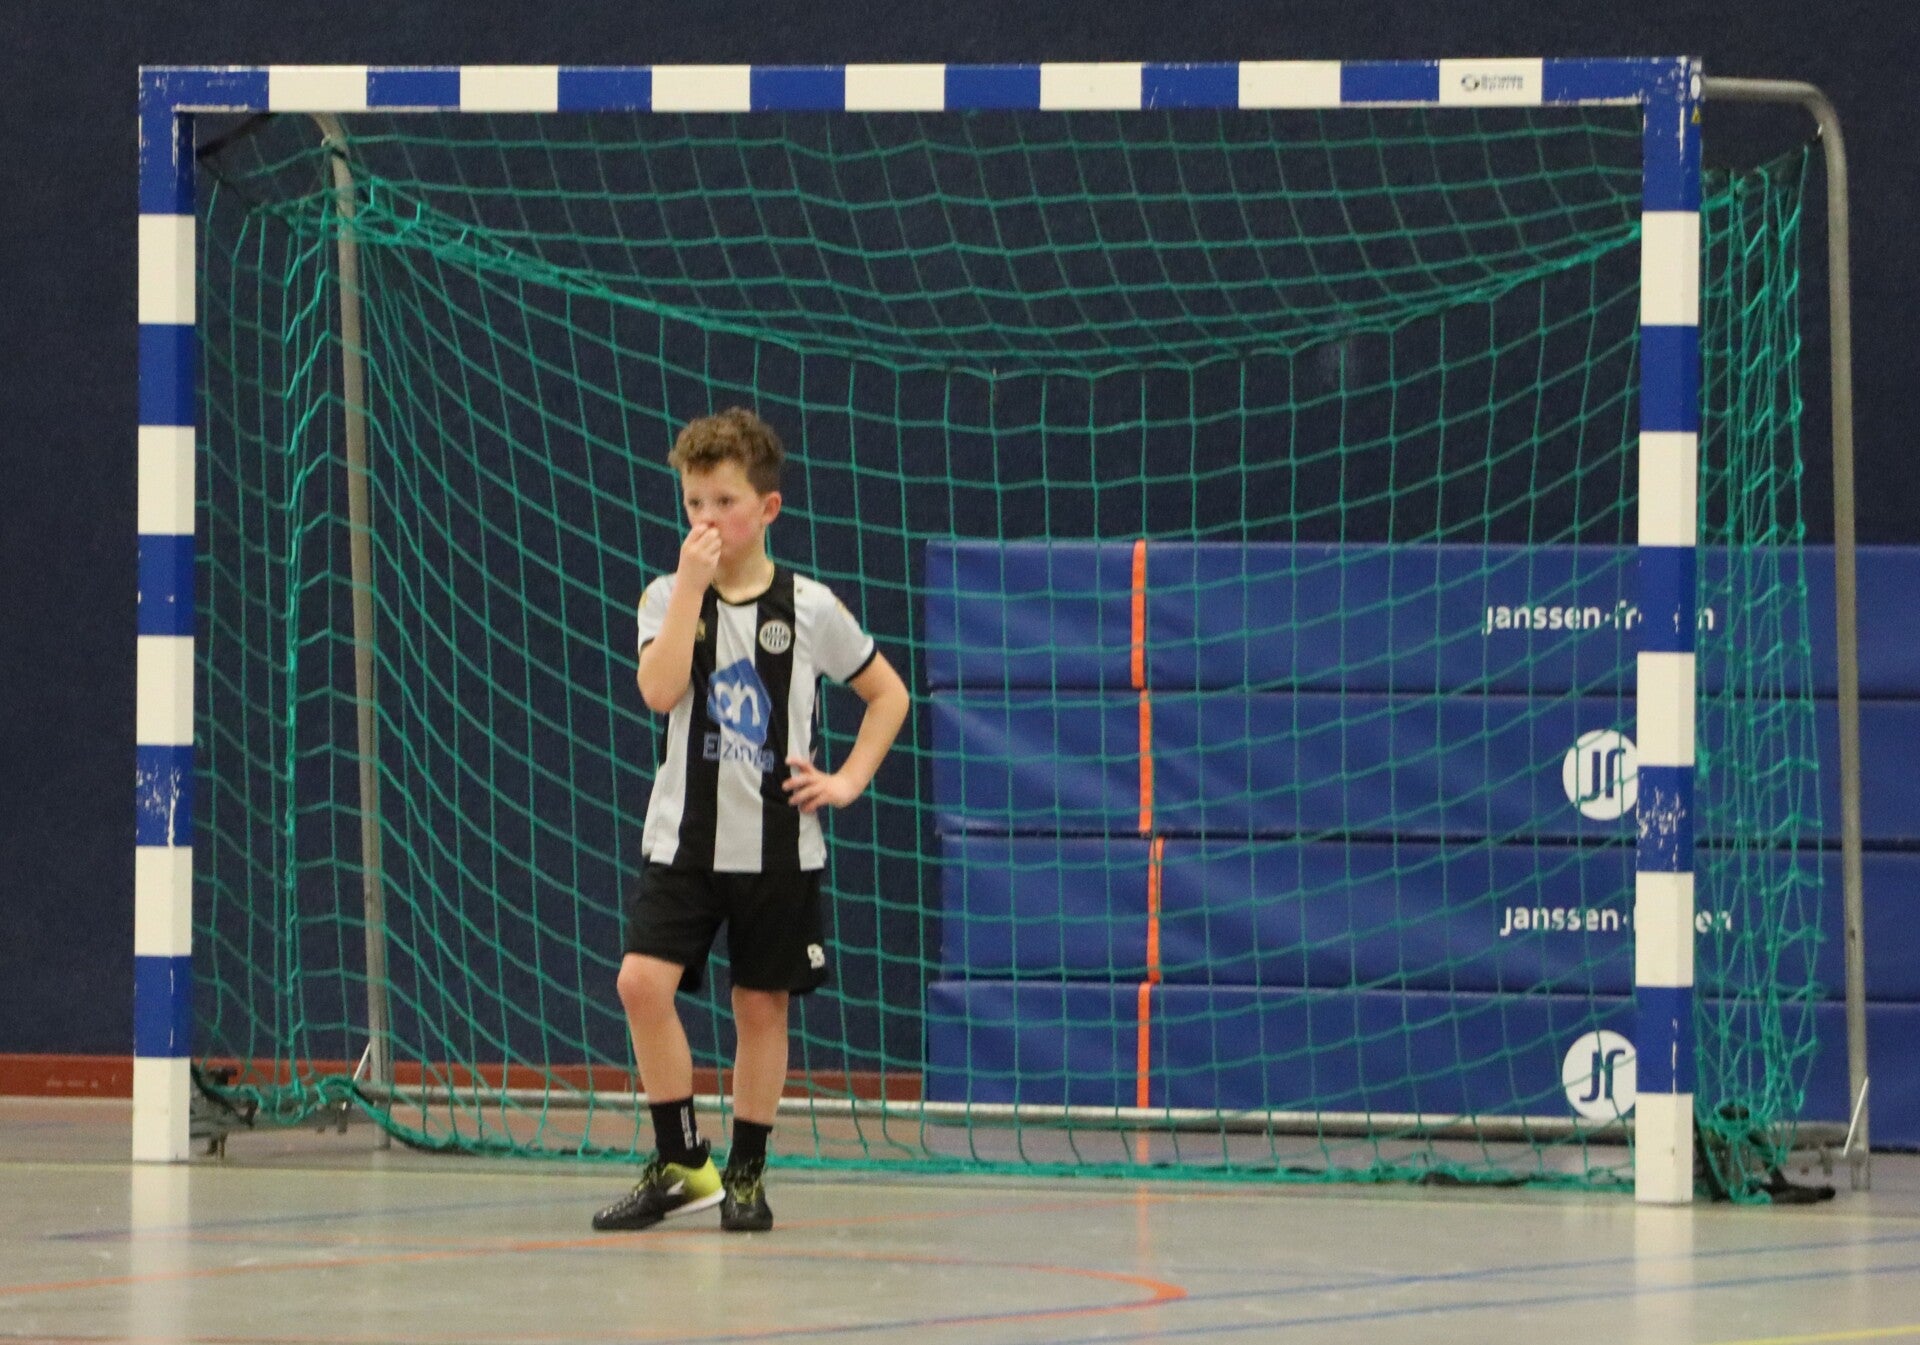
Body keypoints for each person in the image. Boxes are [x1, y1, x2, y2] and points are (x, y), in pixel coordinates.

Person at [592, 407, 909, 1234]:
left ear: (766, 508)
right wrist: (691, 587)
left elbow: (888, 694)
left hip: (776, 844)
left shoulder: (809, 605)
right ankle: (680, 1161)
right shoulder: (666, 595)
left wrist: (847, 779)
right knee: (640, 982)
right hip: (684, 840)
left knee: (761, 1006)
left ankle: (746, 1171)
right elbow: (659, 690)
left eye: (724, 502)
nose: (705, 519)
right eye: (693, 503)